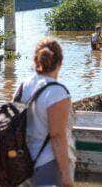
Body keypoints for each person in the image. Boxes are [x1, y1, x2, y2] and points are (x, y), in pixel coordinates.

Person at [14, 38, 75, 187]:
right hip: (47, 163)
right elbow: (57, 137)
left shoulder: (23, 86)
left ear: (36, 60)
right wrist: (66, 176)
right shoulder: (57, 93)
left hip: (21, 163)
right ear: (60, 63)